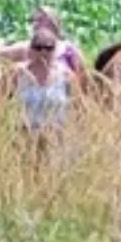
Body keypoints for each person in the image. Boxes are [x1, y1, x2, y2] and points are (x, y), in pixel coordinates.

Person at [13, 25, 75, 156]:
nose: (43, 52)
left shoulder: (66, 75)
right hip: (25, 137)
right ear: (31, 48)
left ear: (55, 49)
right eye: (38, 47)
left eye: (48, 47)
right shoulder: (18, 72)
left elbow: (78, 106)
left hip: (56, 138)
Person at [0, 6, 85, 78]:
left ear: (54, 22)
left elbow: (83, 78)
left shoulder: (70, 51)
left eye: (41, 19)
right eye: (34, 20)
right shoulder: (25, 47)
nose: (36, 24)